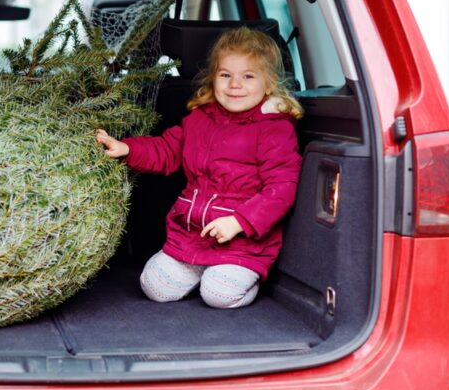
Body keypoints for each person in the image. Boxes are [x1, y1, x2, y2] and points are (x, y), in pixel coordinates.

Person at [96, 27, 303, 309]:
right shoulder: (199, 120)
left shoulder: (275, 130)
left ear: (268, 84)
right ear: (213, 78)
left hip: (243, 245)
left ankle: (243, 279)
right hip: (190, 236)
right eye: (225, 75)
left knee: (218, 295)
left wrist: (240, 222)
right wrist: (128, 149)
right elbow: (166, 150)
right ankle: (203, 273)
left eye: (248, 76)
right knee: (154, 287)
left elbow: (281, 188)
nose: (235, 85)